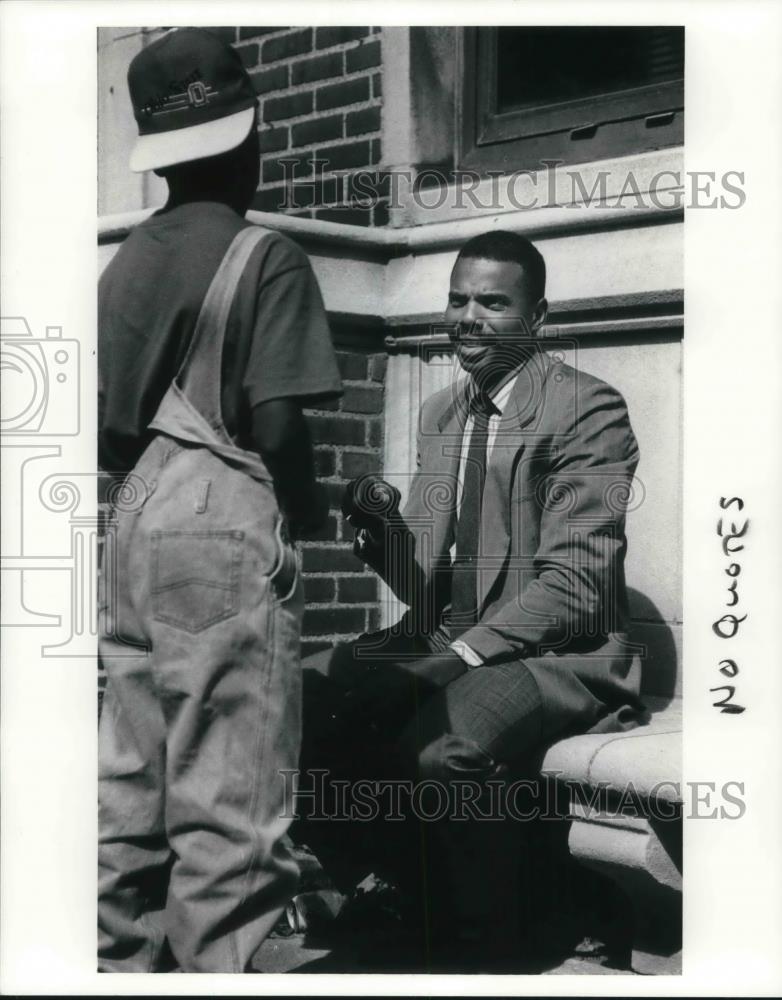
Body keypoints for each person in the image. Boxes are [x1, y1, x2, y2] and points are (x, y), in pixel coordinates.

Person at [296, 230, 644, 971]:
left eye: (493, 301)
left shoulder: (586, 410)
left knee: (444, 748)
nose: (469, 317)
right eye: (458, 299)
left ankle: (497, 939)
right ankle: (398, 889)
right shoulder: (444, 414)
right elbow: (426, 576)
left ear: (537, 316)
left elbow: (576, 584)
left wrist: (451, 659)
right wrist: (383, 538)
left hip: (562, 655)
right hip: (458, 635)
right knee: (298, 695)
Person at [97, 28, 342, 973]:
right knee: (228, 792)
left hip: (131, 518)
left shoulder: (121, 266)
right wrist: (308, 514)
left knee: (129, 777)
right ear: (248, 137)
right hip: (218, 518)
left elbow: (111, 426)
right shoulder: (262, 255)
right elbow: (277, 427)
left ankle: (118, 965)